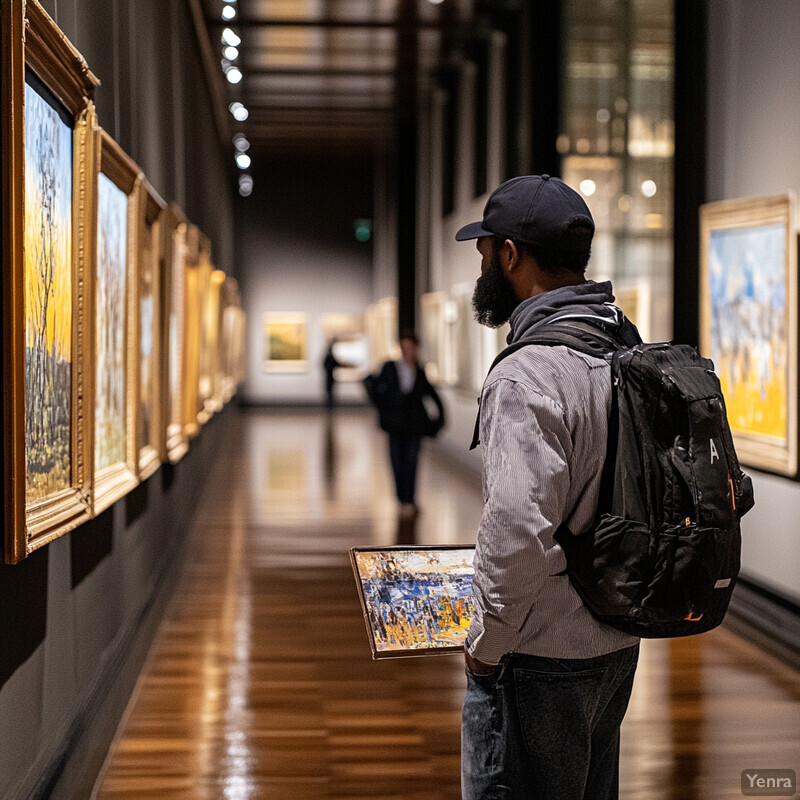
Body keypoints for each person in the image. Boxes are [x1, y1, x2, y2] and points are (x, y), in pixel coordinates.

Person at [455, 174, 640, 800]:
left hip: (540, 655)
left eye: (486, 254)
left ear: (511, 255)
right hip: (616, 637)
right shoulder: (622, 350)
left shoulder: (528, 374)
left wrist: (488, 641)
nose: (483, 268)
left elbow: (517, 528)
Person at [363, 331, 445, 515]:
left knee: (412, 461)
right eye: (404, 347)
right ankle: (401, 497)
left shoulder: (420, 371)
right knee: (396, 461)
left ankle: (410, 498)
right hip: (394, 424)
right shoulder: (389, 368)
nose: (407, 351)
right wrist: (382, 408)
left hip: (414, 424)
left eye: (410, 347)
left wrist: (440, 418)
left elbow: (432, 394)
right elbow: (374, 388)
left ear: (415, 348)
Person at [322, 338, 341, 410]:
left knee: (330, 391)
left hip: (329, 376)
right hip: (329, 377)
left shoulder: (329, 356)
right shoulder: (329, 357)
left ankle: (330, 405)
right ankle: (329, 406)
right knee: (329, 392)